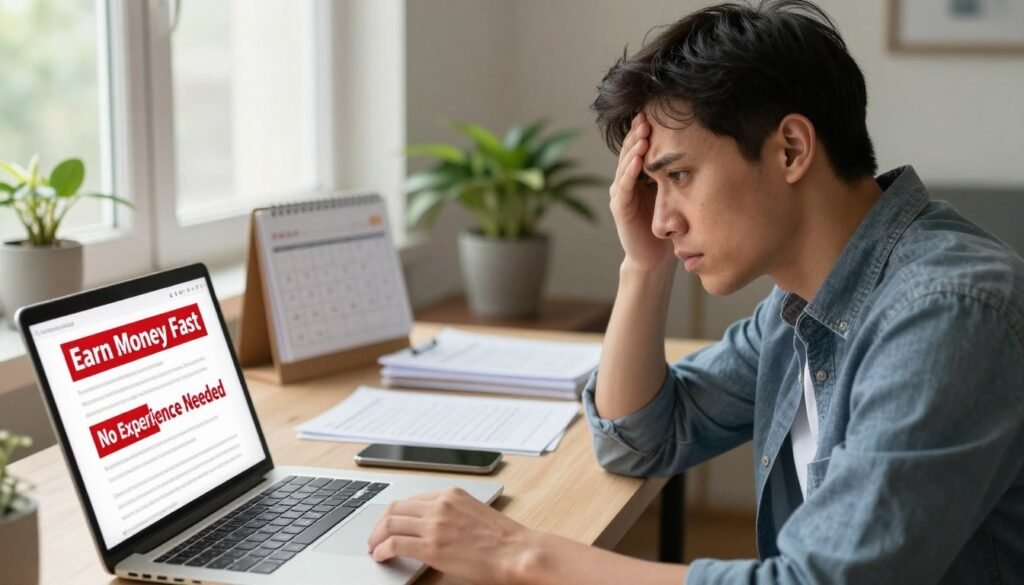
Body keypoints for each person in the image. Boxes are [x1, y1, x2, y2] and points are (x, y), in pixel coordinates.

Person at [366, 1, 1024, 583]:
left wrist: (523, 556)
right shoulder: (800, 308)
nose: (661, 216)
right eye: (654, 186)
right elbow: (641, 437)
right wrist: (644, 267)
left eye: (678, 175)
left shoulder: (946, 312)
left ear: (791, 149)